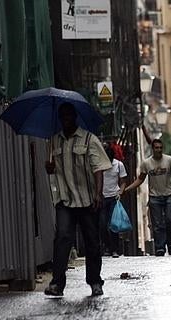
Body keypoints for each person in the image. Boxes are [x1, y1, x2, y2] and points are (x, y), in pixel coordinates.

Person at [44, 102, 112, 297]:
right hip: (65, 199)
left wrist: (98, 194)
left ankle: (95, 282)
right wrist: (48, 167)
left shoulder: (89, 139)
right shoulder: (54, 141)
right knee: (63, 238)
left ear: (74, 117)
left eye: (68, 115)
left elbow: (98, 168)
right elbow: (52, 169)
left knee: (92, 241)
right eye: (62, 116)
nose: (65, 119)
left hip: (87, 199)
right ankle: (57, 283)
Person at [125, 139, 171, 256]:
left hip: (169, 195)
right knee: (157, 225)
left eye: (160, 148)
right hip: (155, 197)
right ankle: (160, 247)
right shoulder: (146, 163)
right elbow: (140, 179)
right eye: (156, 148)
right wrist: (128, 188)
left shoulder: (169, 160)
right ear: (153, 149)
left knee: (170, 220)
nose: (159, 150)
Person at [99, 144, 127, 258]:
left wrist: (121, 191)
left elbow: (123, 181)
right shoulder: (98, 165)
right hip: (101, 197)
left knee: (113, 225)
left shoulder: (119, 165)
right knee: (102, 224)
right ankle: (107, 246)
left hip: (114, 198)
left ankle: (114, 249)